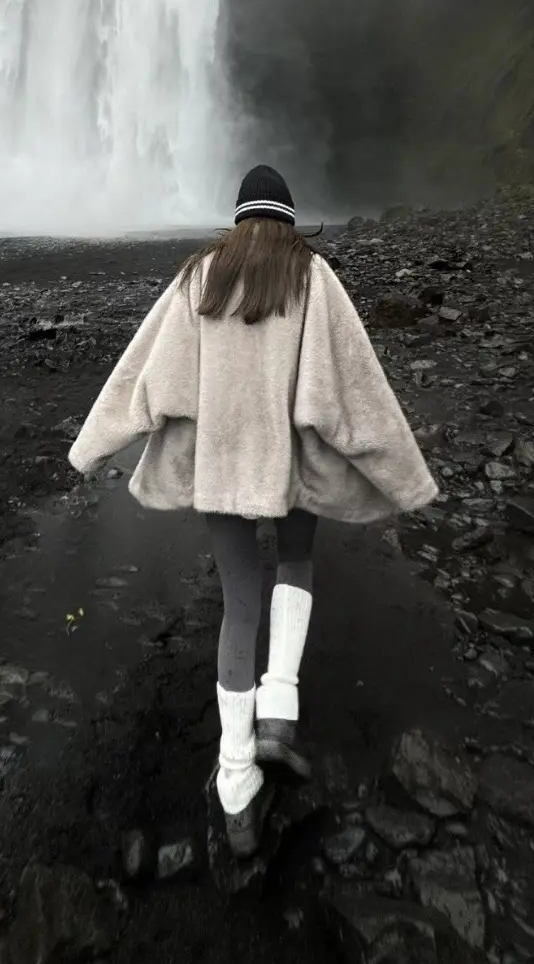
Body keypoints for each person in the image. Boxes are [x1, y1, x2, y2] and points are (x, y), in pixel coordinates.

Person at [67, 166, 438, 858]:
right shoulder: (312, 279)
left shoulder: (198, 279)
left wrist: (91, 448)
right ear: (289, 221)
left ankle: (235, 778)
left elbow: (144, 376)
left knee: (241, 604)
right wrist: (407, 478)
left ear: (237, 220)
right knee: (297, 560)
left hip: (222, 468)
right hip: (293, 465)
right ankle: (280, 711)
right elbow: (355, 392)